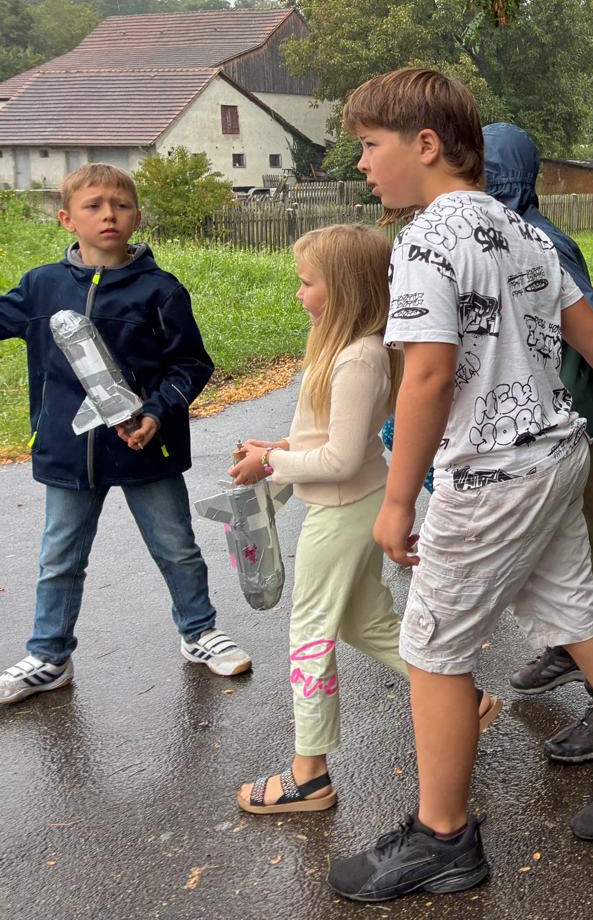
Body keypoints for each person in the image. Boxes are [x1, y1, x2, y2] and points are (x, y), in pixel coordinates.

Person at [328, 69, 593, 903]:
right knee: (578, 616)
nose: (362, 164)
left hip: (492, 476)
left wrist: (399, 498)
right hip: (556, 457)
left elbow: (428, 378)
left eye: (370, 145)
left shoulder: (425, 241)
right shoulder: (521, 230)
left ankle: (443, 838)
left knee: (432, 649)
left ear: (426, 145)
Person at [227, 225, 501, 815]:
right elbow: (335, 439)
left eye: (307, 283)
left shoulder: (357, 359)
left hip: (342, 511)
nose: (299, 293)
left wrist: (270, 463)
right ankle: (464, 700)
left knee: (310, 632)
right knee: (363, 622)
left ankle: (309, 774)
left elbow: (340, 460)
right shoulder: (353, 350)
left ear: (345, 288)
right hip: (355, 502)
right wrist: (279, 446)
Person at [0, 163, 250, 705]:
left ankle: (199, 632)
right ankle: (49, 656)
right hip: (68, 452)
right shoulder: (41, 287)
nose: (108, 215)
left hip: (146, 447)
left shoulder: (161, 290)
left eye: (120, 205)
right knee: (59, 559)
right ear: (67, 218)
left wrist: (157, 413)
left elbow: (191, 365)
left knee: (177, 548)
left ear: (137, 216)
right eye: (93, 206)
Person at [483, 122, 593, 763]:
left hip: (574, 426)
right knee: (551, 555)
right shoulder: (492, 237)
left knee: (585, 561)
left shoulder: (539, 243)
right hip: (530, 432)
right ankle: (568, 646)